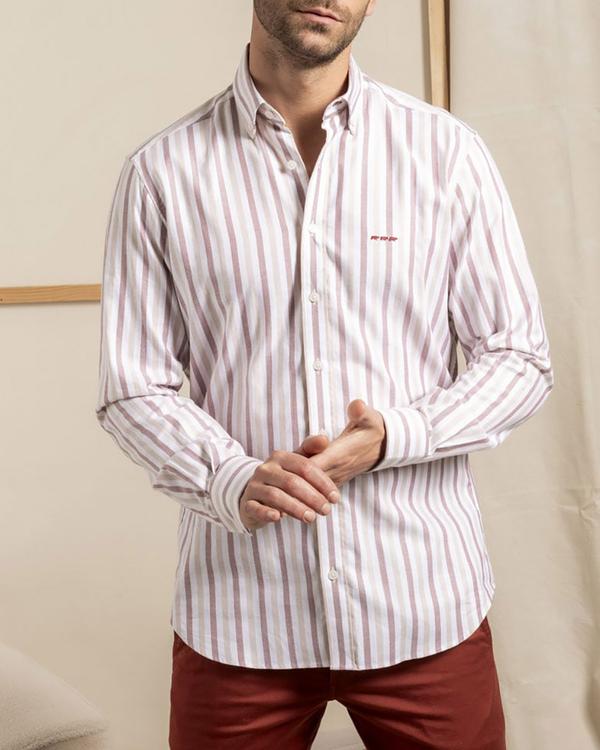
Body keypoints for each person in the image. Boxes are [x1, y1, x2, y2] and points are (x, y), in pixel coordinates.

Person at [95, 1, 554, 748]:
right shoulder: (162, 172)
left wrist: (396, 436)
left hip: (423, 601)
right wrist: (230, 478)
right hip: (241, 619)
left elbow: (519, 355)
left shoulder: (446, 153)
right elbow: (132, 384)